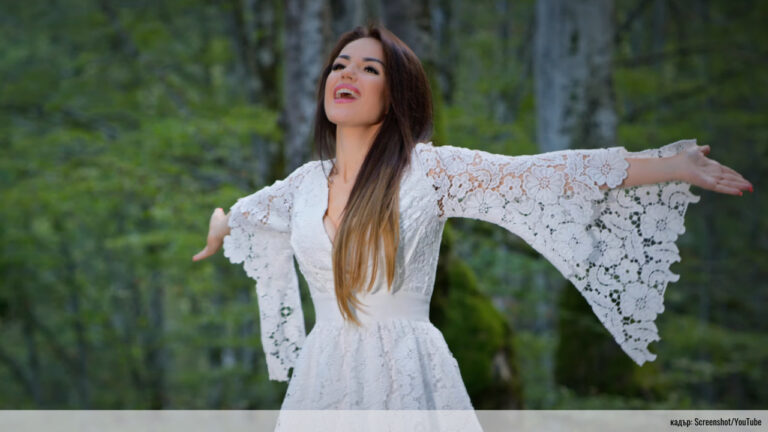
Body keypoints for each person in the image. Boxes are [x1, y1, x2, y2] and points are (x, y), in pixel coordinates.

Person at [192, 23, 752, 428]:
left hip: (408, 370)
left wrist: (672, 164)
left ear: (396, 94)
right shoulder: (302, 184)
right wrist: (219, 226)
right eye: (340, 65)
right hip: (323, 378)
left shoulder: (430, 170)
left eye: (369, 68)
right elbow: (244, 215)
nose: (347, 73)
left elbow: (545, 175)